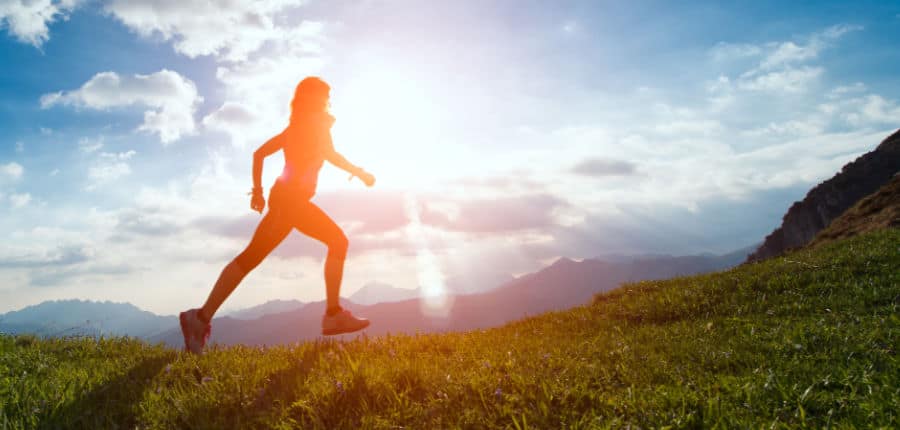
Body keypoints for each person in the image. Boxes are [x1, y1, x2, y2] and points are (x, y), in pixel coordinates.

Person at [179, 77, 375, 354]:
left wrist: (358, 172)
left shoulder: (304, 126)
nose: (327, 100)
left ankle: (198, 318)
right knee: (338, 242)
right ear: (311, 98)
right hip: (290, 201)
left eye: (327, 96)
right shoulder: (309, 125)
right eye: (323, 96)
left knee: (250, 258)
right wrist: (257, 192)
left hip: (286, 199)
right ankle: (332, 314)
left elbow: (324, 154)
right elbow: (265, 154)